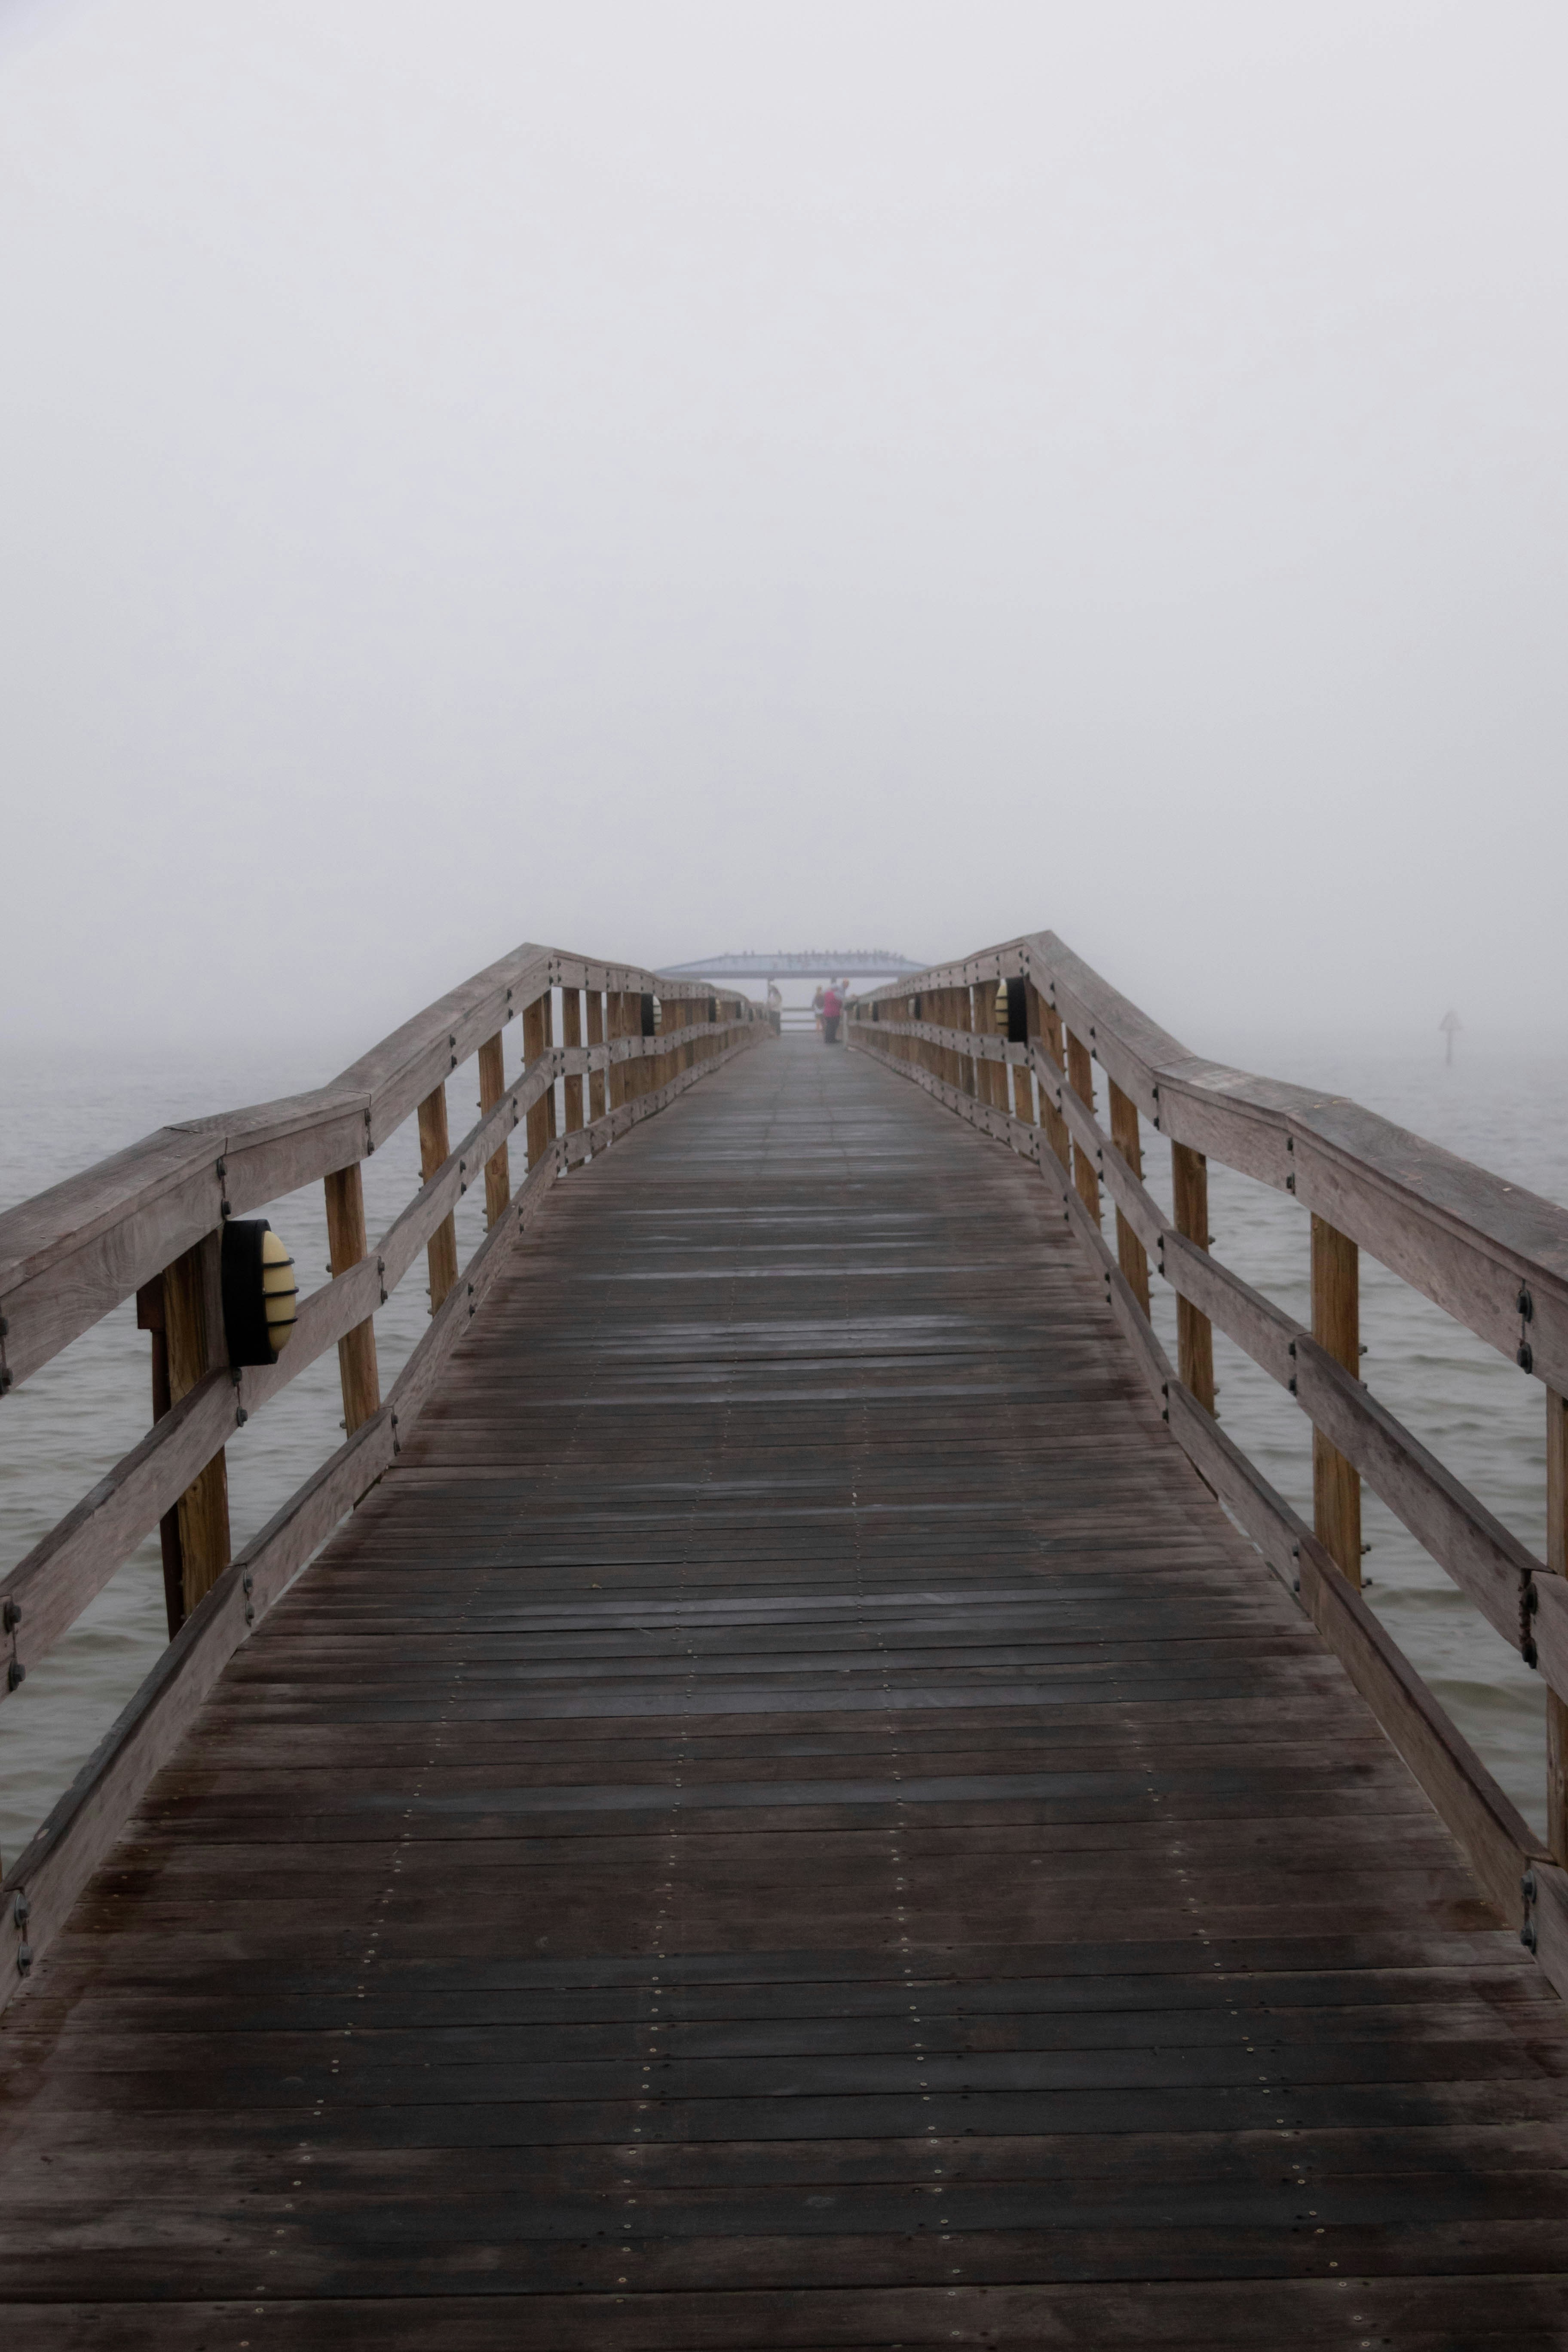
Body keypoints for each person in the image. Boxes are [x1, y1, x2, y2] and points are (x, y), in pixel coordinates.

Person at [821, 980, 842, 1045]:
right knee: (834, 1026)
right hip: (835, 1012)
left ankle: (828, 1039)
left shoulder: (826, 994)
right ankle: (832, 1039)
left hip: (827, 1012)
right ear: (836, 989)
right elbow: (842, 1000)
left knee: (829, 1026)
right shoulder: (836, 994)